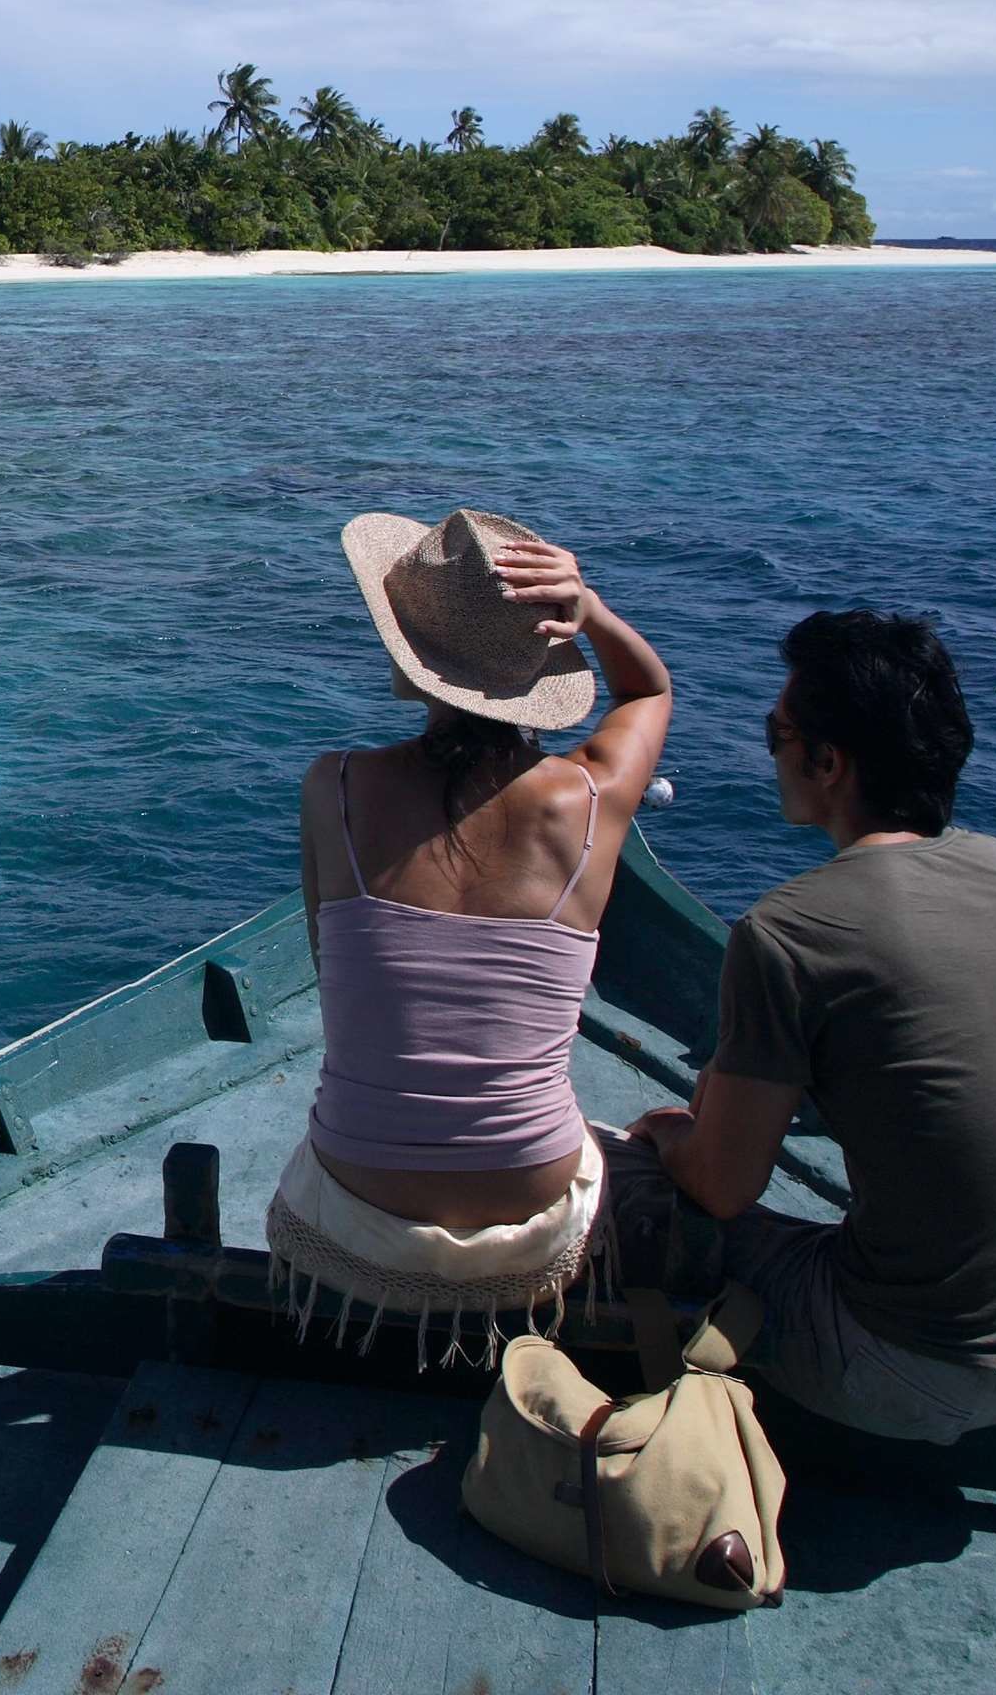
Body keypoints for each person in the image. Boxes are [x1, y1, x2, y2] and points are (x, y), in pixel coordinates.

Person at [611, 609, 996, 1442]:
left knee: (625, 1182)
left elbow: (722, 1186)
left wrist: (664, 1136)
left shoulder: (787, 932)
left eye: (778, 731)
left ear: (827, 761)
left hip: (909, 1370)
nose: (769, 747)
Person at [263, 508, 673, 1362]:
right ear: (542, 662)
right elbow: (649, 692)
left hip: (358, 1200)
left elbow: (327, 967)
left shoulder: (334, 787)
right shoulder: (592, 801)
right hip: (530, 1217)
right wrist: (588, 608)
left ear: (408, 656)